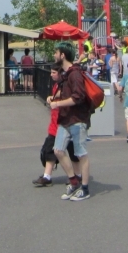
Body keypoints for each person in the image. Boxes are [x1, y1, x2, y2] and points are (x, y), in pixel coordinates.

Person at [49, 41, 91, 201]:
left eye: (56, 52)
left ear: (63, 55)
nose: (54, 55)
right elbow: (68, 94)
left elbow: (78, 97)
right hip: (65, 119)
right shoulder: (66, 74)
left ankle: (85, 188)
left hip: (77, 119)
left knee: (81, 154)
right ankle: (74, 181)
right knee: (58, 150)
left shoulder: (74, 74)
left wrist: (57, 103)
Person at [33, 65, 79, 186]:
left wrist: (55, 98)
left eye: (54, 72)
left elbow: (70, 98)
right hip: (55, 124)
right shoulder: (56, 85)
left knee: (72, 151)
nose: (51, 74)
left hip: (65, 123)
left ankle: (77, 175)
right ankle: (47, 176)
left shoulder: (65, 86)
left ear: (60, 74)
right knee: (49, 150)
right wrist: (51, 98)